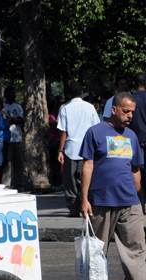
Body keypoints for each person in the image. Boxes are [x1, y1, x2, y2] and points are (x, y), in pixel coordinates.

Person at [80, 92, 146, 280]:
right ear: (114, 109)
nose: (130, 116)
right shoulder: (94, 133)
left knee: (136, 244)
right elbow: (87, 166)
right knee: (97, 248)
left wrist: (141, 199)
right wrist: (84, 200)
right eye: (126, 111)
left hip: (129, 201)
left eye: (132, 112)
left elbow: (135, 170)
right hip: (101, 201)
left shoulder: (131, 136)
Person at [57, 81, 100, 217]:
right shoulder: (90, 107)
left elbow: (63, 132)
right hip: (87, 149)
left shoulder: (65, 108)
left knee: (70, 181)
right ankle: (86, 205)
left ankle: (74, 208)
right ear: (82, 92)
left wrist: (60, 150)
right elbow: (96, 128)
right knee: (85, 179)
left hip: (71, 148)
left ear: (69, 94)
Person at [2, 87, 25, 191]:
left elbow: (21, 119)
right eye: (12, 93)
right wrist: (10, 120)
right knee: (7, 164)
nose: (14, 95)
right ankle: (6, 185)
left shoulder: (18, 106)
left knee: (18, 163)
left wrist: (13, 120)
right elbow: (3, 120)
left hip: (17, 139)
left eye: (14, 93)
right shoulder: (2, 107)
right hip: (7, 140)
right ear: (6, 94)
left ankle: (18, 184)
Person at [128, 72, 146, 190]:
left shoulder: (130, 99)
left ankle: (141, 196)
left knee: (138, 169)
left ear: (133, 83)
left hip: (136, 139)